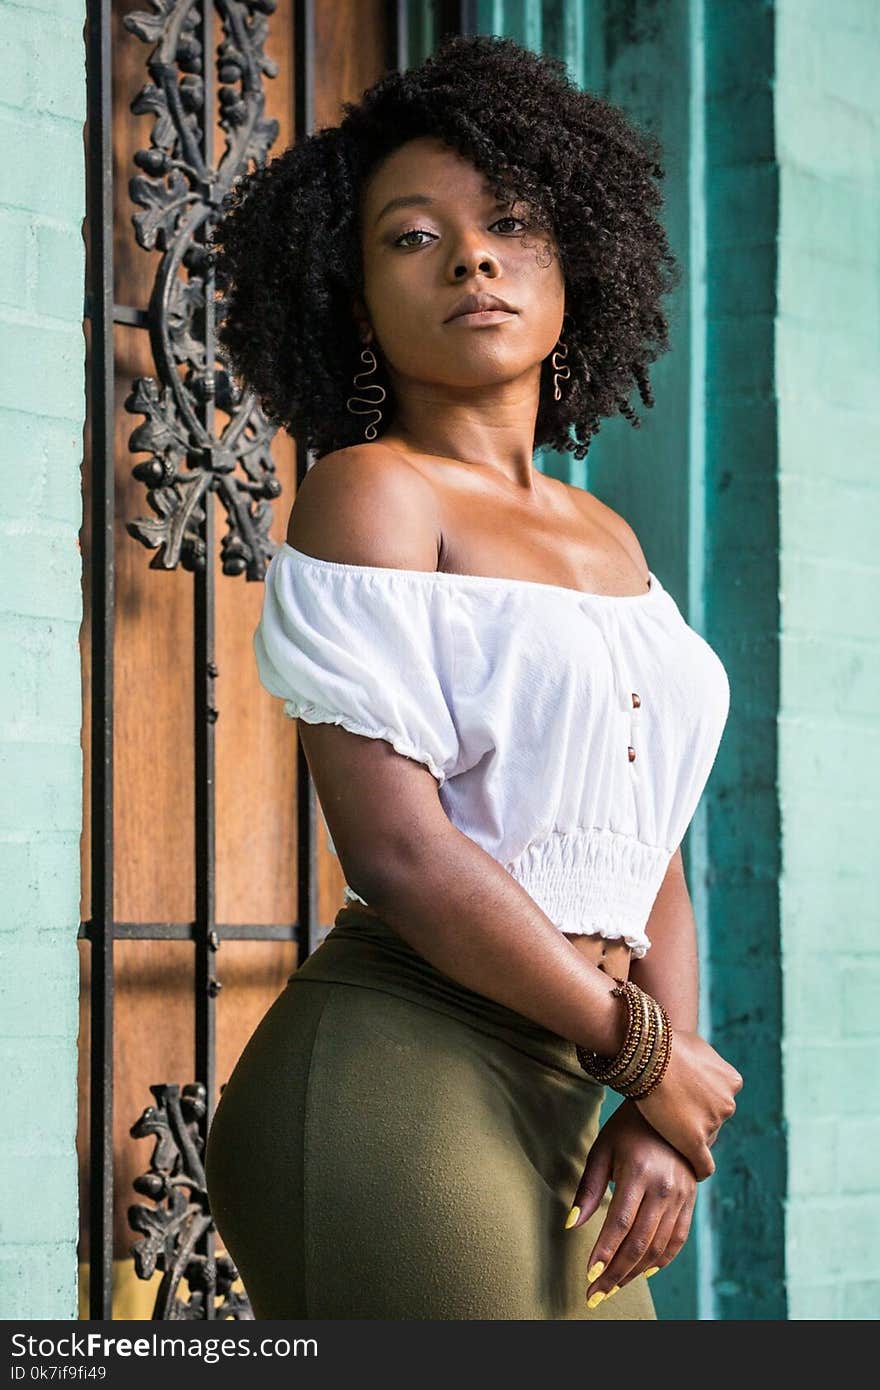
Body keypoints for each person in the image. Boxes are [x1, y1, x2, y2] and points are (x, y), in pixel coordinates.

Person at [204, 33, 743, 1320]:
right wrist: (649, 1054)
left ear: (577, 263)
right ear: (352, 295)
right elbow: (403, 853)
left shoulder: (605, 535)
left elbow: (646, 840)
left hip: (581, 1080)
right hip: (403, 1060)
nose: (473, 258)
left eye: (510, 222)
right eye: (410, 236)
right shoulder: (371, 492)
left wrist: (660, 1110)